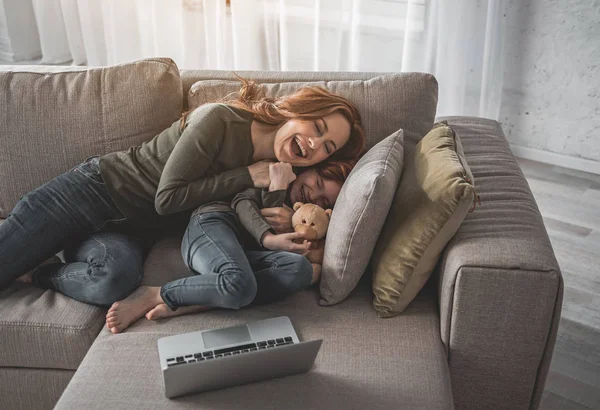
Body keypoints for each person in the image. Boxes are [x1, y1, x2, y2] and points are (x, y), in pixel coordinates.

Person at [0, 78, 365, 310]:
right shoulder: (220, 120)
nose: (314, 143)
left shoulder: (284, 171)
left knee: (112, 281)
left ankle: (41, 274)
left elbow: (279, 216)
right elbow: (168, 199)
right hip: (90, 191)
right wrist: (246, 175)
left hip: (128, 232)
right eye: (316, 127)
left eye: (327, 147)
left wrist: (284, 225)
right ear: (297, 110)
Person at [105, 159, 356, 334]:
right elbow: (241, 203)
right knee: (239, 284)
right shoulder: (275, 174)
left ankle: (198, 299)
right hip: (214, 223)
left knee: (298, 269)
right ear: (310, 169)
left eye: (323, 200)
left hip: (246, 258)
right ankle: (158, 294)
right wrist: (271, 222)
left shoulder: (302, 219)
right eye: (318, 183)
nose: (313, 195)